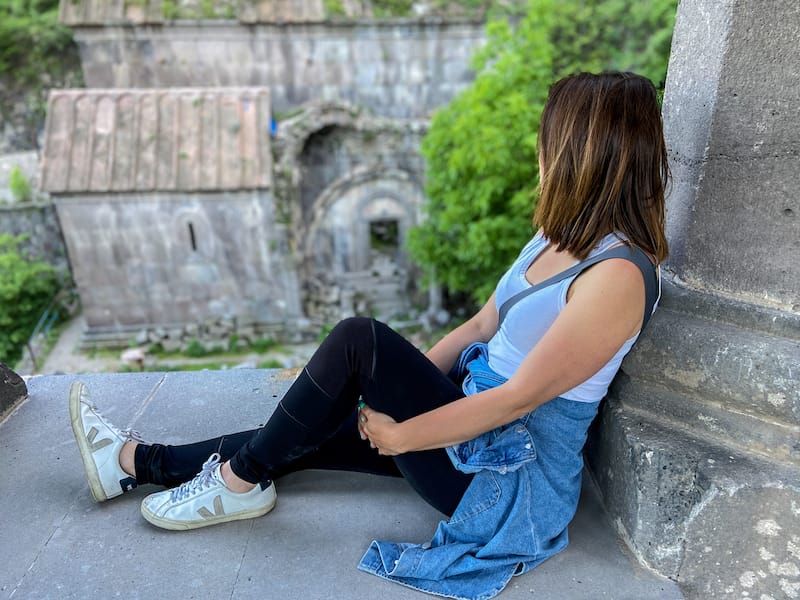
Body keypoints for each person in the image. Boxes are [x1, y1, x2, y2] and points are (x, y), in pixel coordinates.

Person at [70, 71, 668, 600]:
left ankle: (235, 483)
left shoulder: (617, 276)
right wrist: (398, 393)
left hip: (505, 478)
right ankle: (134, 463)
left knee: (359, 339)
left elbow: (518, 400)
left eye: (548, 139)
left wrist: (404, 434)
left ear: (585, 153)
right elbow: (483, 325)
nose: (539, 151)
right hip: (465, 416)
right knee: (307, 429)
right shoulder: (557, 237)